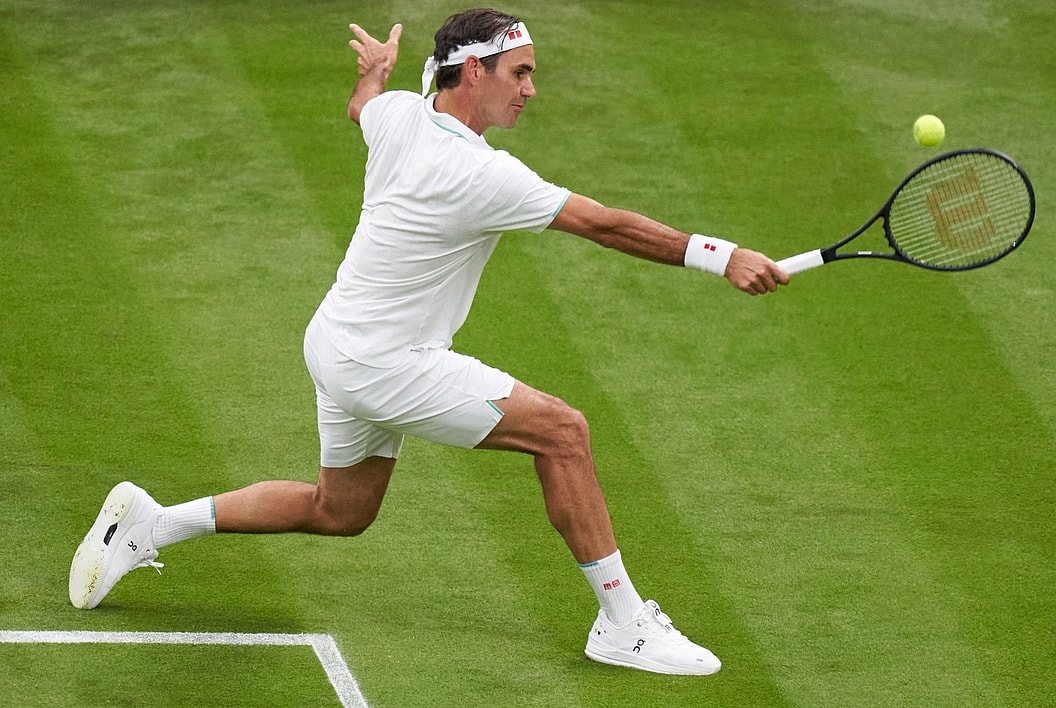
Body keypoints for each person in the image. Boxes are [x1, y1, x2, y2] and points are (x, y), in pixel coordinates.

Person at [69, 9, 788, 676]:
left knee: (340, 511)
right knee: (563, 433)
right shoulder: (480, 173)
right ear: (472, 71)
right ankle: (623, 623)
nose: (531, 90)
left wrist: (372, 77)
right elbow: (602, 224)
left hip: (336, 342)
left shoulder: (398, 117)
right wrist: (719, 255)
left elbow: (362, 109)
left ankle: (153, 524)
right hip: (386, 362)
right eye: (521, 73)